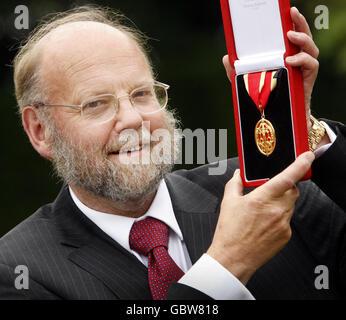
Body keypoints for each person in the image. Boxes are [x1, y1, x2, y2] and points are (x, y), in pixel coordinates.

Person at [0, 5, 345, 300]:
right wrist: (226, 265)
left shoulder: (263, 191)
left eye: (141, 94)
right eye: (95, 104)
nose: (134, 119)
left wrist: (297, 123)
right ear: (40, 131)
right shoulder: (18, 270)